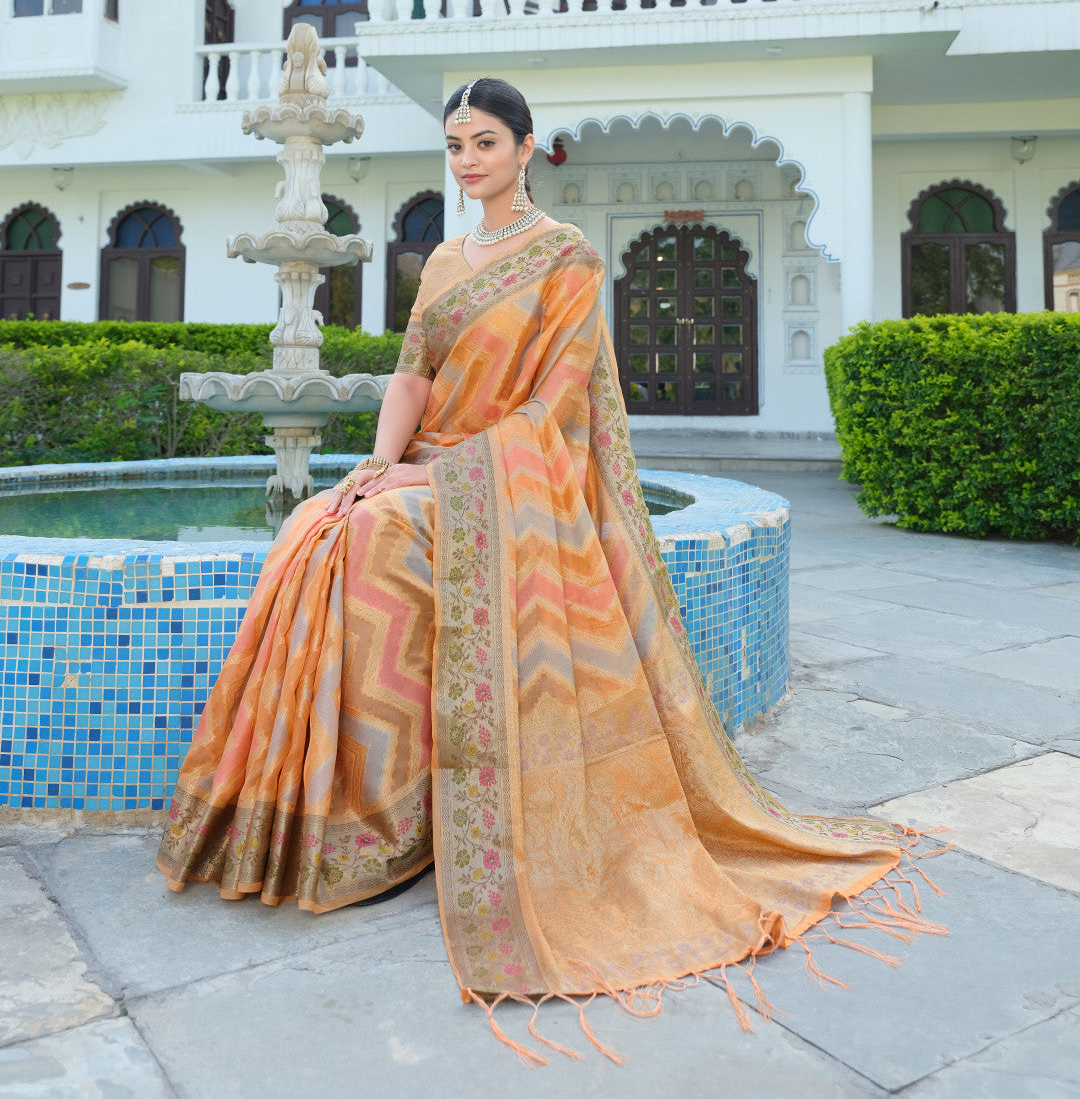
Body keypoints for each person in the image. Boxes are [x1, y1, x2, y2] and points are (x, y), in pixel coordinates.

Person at [157, 77, 943, 1060]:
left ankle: (403, 807)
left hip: (511, 481)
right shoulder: (445, 259)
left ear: (527, 149)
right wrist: (376, 460)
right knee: (319, 523)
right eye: (454, 145)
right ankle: (359, 819)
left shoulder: (564, 256)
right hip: (435, 461)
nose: (467, 159)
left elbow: (559, 407)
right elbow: (414, 372)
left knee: (375, 539)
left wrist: (439, 467)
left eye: (484, 142)